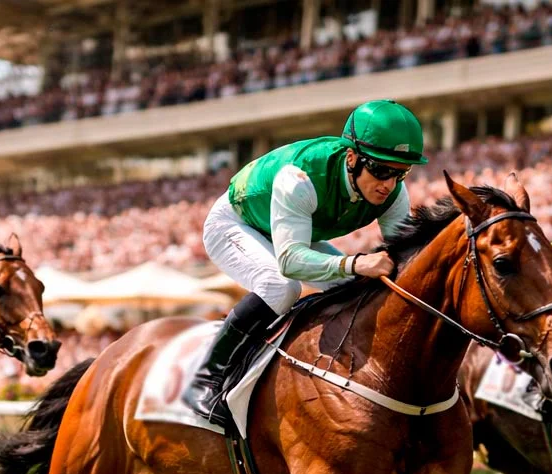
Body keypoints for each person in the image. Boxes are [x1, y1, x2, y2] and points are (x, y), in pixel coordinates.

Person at [183, 99, 428, 428]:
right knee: (280, 287)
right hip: (236, 223)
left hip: (295, 228)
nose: (388, 184)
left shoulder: (394, 194)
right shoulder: (300, 177)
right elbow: (290, 261)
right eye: (381, 170)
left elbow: (403, 265)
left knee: (358, 290)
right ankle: (204, 378)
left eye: (401, 173)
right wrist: (356, 263)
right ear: (352, 158)